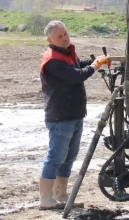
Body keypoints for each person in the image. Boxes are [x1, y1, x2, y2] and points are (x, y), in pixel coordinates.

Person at [38, 20, 110, 210]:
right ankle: (45, 199)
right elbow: (76, 75)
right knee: (55, 157)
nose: (65, 38)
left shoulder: (66, 53)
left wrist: (96, 61)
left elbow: (77, 65)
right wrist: (95, 65)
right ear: (50, 40)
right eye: (60, 36)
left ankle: (61, 196)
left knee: (68, 157)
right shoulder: (52, 60)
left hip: (74, 114)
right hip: (60, 117)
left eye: (65, 34)